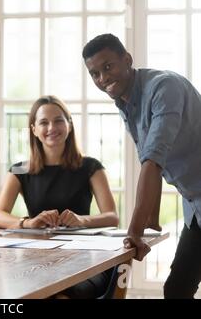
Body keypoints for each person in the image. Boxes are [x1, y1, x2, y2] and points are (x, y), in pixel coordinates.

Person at [83, 33, 201, 298]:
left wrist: (134, 231)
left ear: (127, 60)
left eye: (108, 67)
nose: (102, 78)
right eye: (94, 74)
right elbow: (150, 158)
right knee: (177, 289)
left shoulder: (164, 88)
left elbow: (154, 159)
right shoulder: (126, 101)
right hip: (195, 206)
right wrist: (151, 218)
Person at [0, 95, 119, 298]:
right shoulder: (19, 170)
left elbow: (112, 216)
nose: (52, 127)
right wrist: (28, 223)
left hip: (84, 260)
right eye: (44, 122)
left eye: (59, 120)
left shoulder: (90, 167)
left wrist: (82, 220)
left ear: (69, 124)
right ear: (34, 129)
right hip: (36, 260)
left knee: (61, 293)